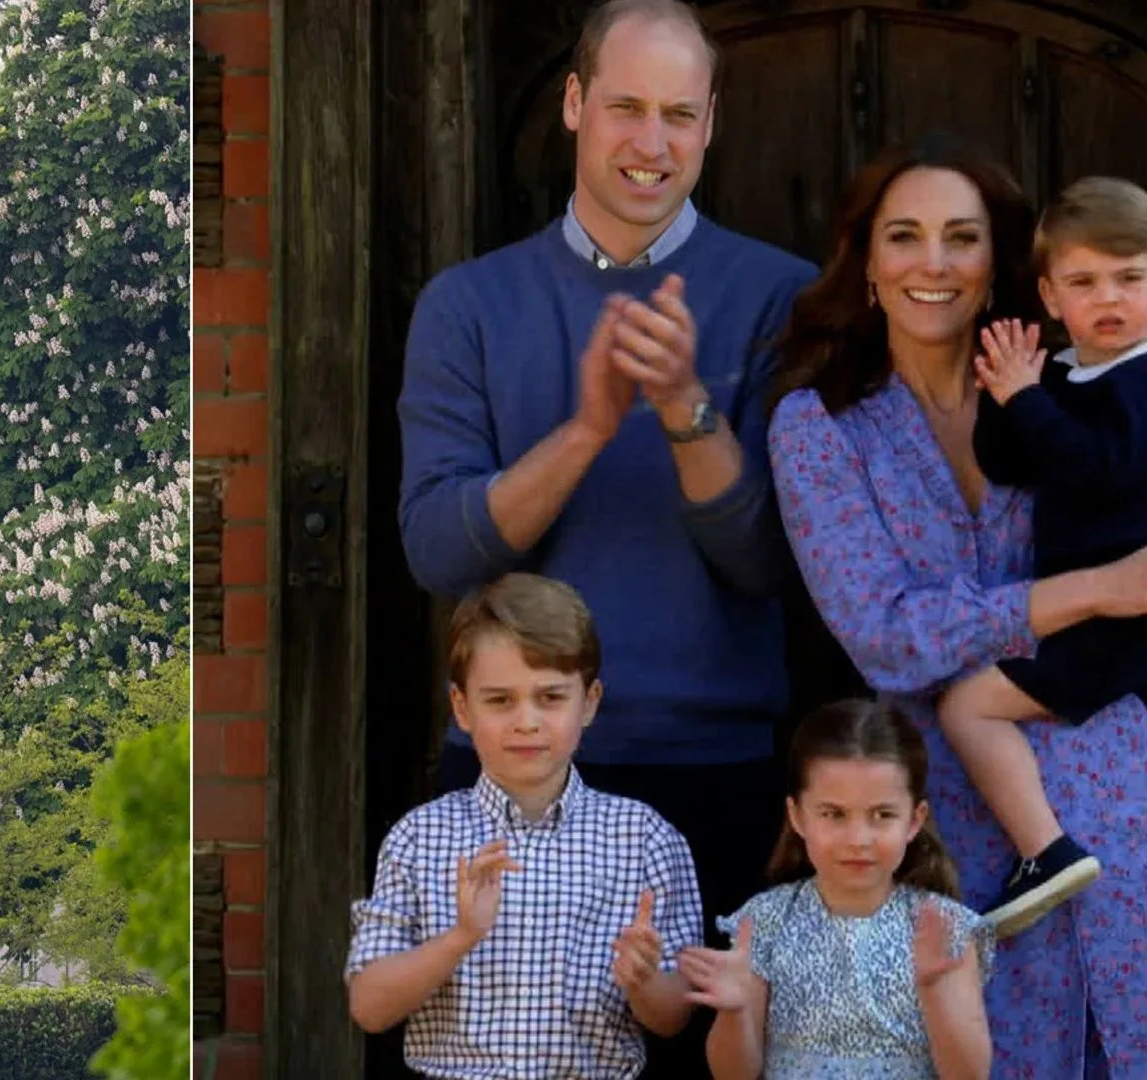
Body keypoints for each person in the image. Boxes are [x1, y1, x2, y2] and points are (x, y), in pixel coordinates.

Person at [396, 2, 813, 1069]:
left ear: (712, 123)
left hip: (717, 772)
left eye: (680, 114)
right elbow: (439, 554)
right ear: (575, 105)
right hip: (508, 781)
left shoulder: (782, 299)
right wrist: (586, 428)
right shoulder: (468, 305)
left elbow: (771, 560)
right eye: (626, 107)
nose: (652, 142)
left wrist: (682, 408)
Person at [768, 132, 1147, 1075]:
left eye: (961, 238)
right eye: (904, 237)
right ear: (867, 266)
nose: (933, 264)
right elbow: (888, 636)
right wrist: (1096, 591)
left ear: (1000, 267)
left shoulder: (1071, 394)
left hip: (1119, 776)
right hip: (939, 820)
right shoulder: (819, 426)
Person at [346, 573, 703, 1079]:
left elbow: (674, 1019)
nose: (527, 721)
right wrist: (461, 936)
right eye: (500, 700)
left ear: (591, 701)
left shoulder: (645, 839)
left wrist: (643, 981)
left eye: (551, 697)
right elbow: (369, 1006)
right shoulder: (419, 838)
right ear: (462, 708)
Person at [935, 177, 1147, 936]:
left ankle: (1046, 851)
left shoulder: (1143, 377)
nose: (1110, 298)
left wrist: (1029, 399)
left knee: (968, 705)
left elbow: (1098, 470)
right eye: (1085, 282)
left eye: (1131, 278)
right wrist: (1006, 392)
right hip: (1087, 611)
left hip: (1123, 621)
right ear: (1052, 299)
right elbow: (1009, 462)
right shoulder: (1063, 374)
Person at [682, 699, 994, 1079]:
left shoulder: (945, 928)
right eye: (834, 814)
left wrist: (935, 992)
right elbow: (735, 1075)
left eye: (882, 815)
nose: (858, 839)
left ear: (915, 820)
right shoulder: (763, 922)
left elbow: (970, 1075)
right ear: (797, 815)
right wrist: (735, 1011)